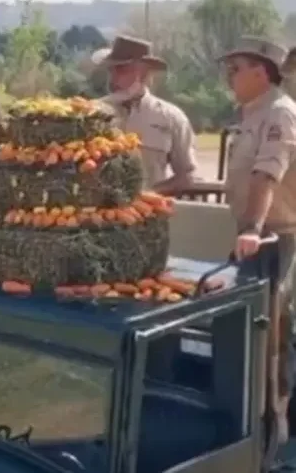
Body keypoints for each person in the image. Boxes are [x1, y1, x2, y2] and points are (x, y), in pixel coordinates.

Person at [219, 36, 296, 442]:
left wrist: (252, 229)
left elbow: (268, 175)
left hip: (276, 239)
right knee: (248, 335)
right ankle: (250, 426)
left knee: (275, 337)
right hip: (253, 236)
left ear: (262, 72)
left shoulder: (280, 114)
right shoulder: (252, 113)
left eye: (236, 69)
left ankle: (277, 435)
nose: (229, 77)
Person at [91, 35, 199, 194]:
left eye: (122, 69)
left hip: (149, 215)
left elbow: (188, 175)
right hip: (98, 215)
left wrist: (148, 194)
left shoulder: (171, 118)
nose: (113, 79)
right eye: (111, 70)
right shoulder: (90, 114)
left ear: (144, 73)